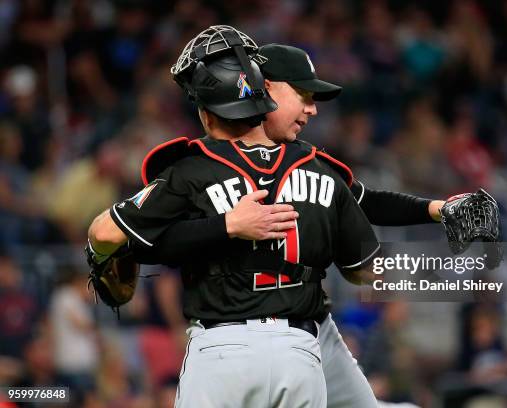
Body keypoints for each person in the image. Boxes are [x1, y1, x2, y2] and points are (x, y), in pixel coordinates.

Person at [129, 42, 447, 408]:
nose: (312, 109)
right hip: (296, 343)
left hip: (275, 334)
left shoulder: (201, 164)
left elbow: (364, 200)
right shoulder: (313, 166)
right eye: (303, 94)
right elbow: (363, 256)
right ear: (262, 88)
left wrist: (436, 209)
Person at [88, 25, 380, 408]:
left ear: (207, 113)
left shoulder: (192, 169)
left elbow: (105, 232)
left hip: (221, 350)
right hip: (300, 351)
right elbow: (363, 271)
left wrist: (222, 227)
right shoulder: (318, 167)